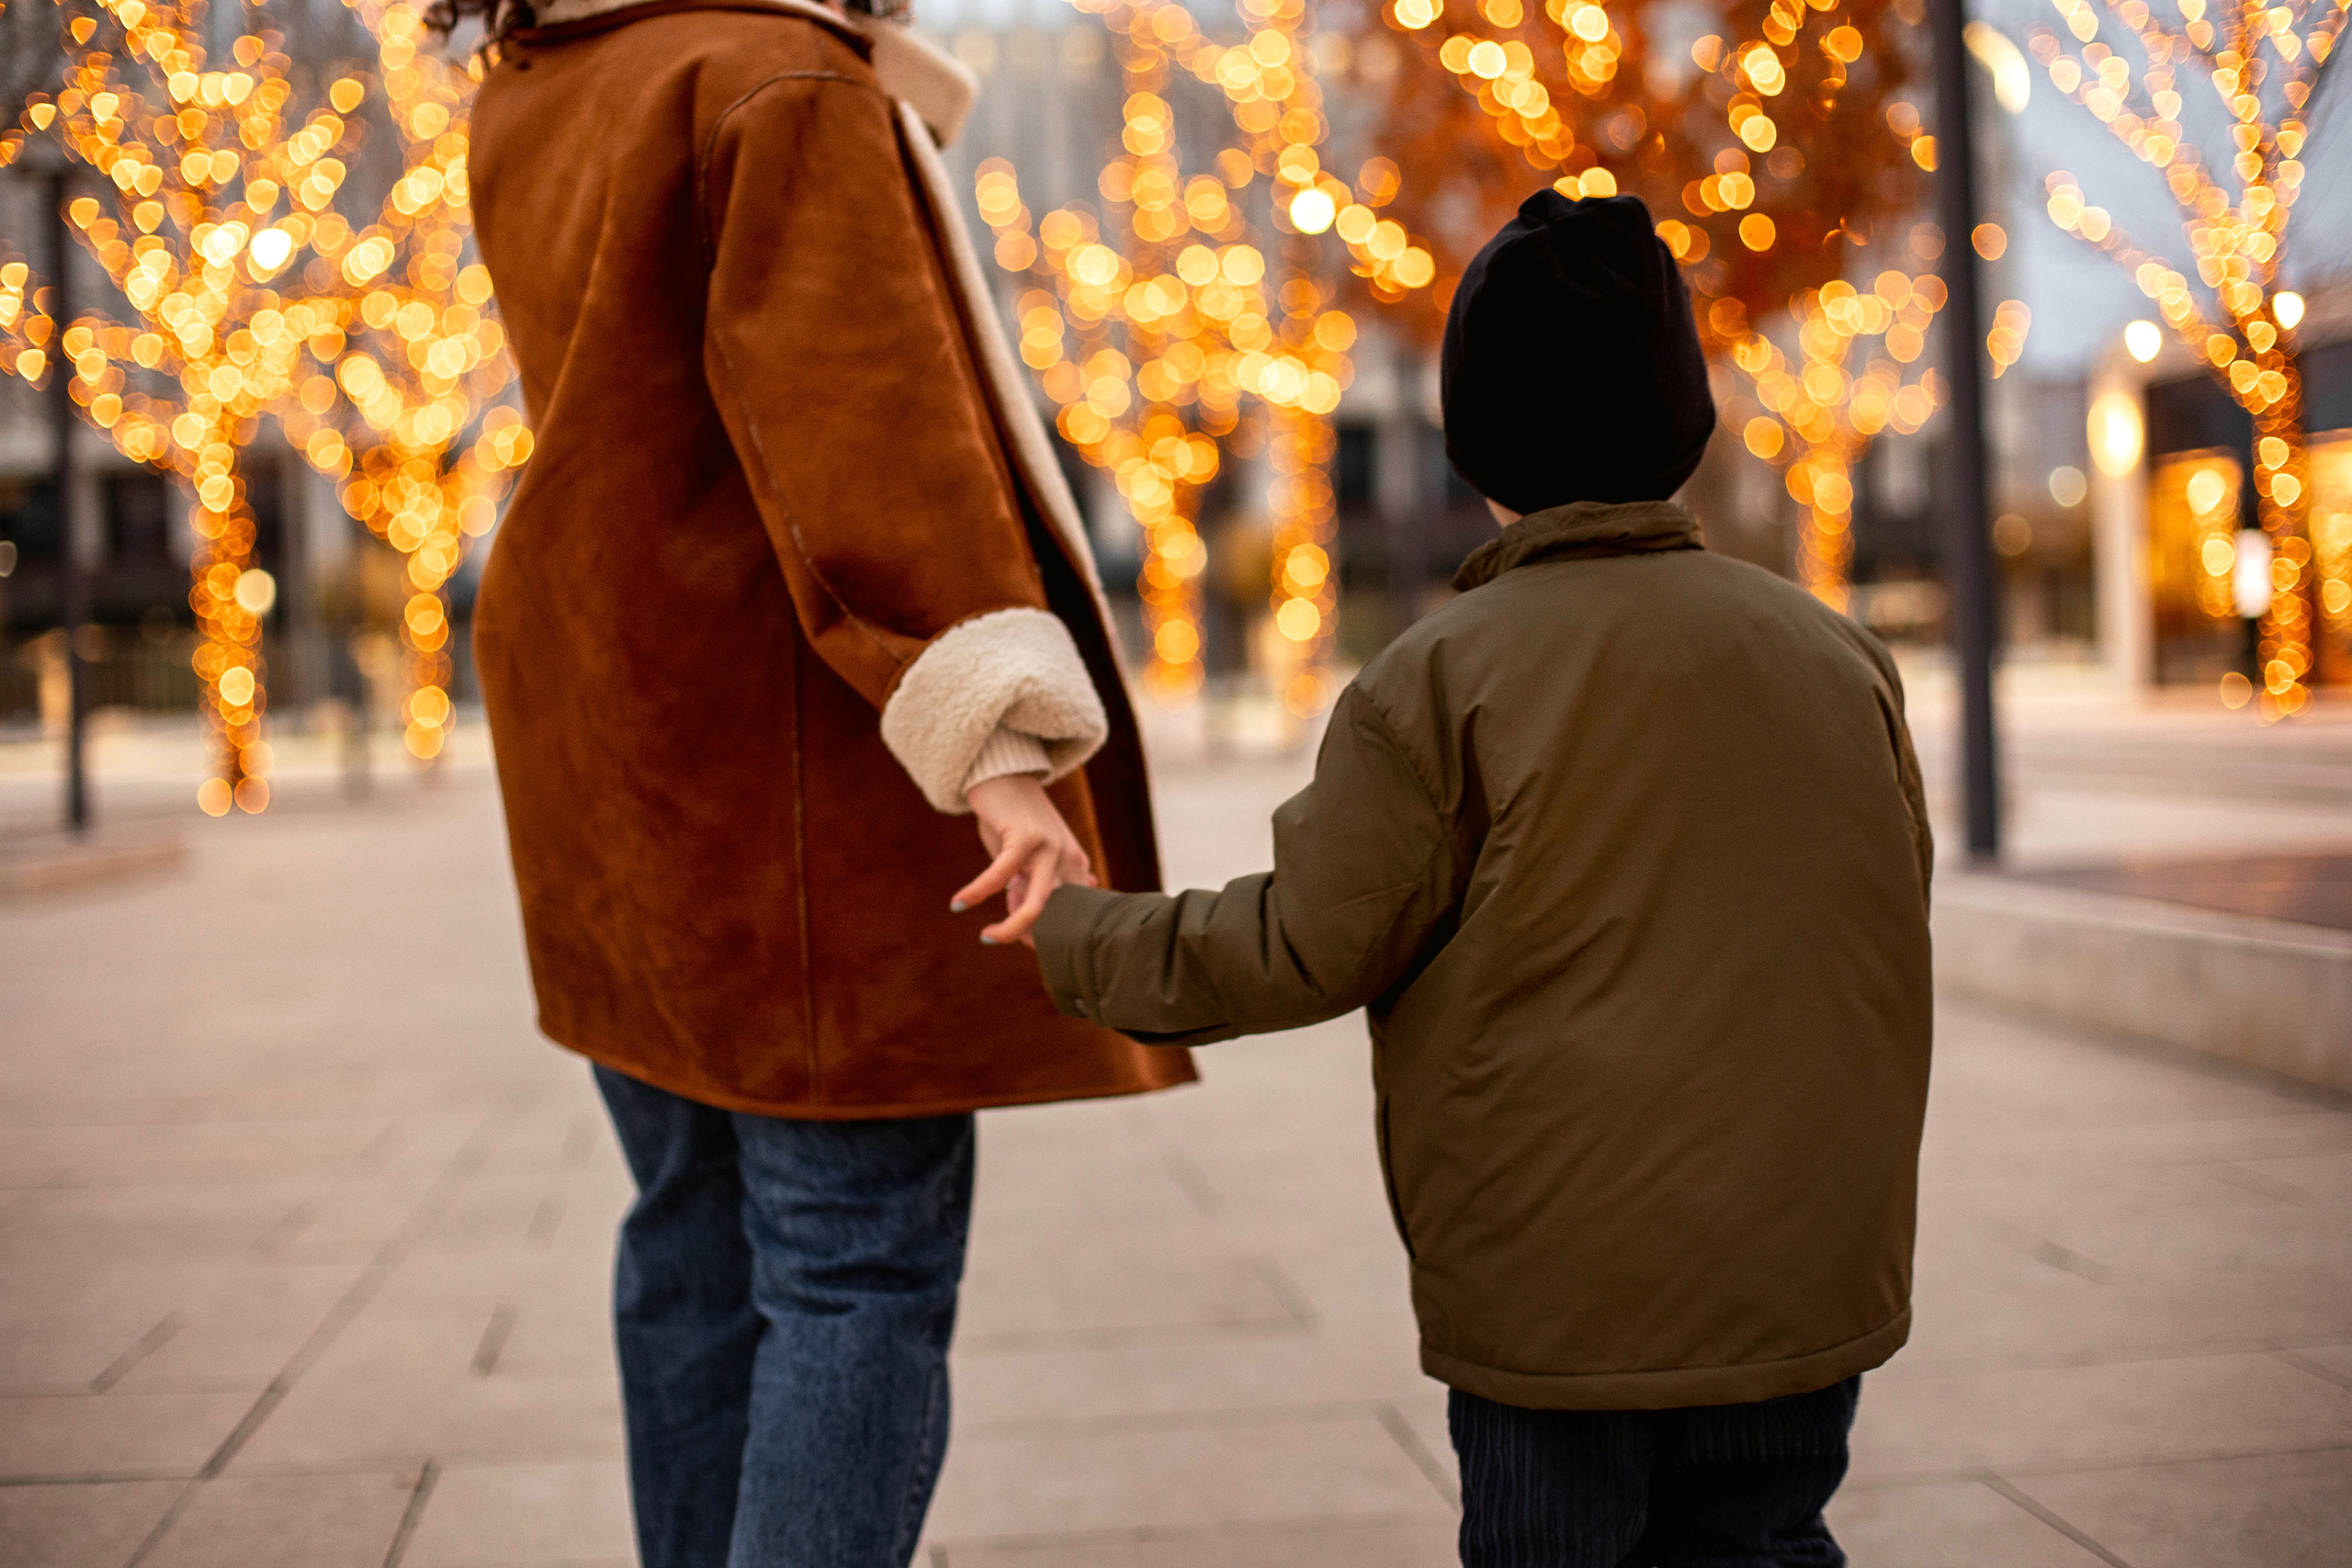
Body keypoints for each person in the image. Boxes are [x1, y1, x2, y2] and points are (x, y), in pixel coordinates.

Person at [1028, 191, 1936, 1568]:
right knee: (1765, 1541)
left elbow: (1299, 947)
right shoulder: (1836, 658)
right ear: (1682, 419)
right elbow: (1887, 904)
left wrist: (1074, 928)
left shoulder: (1443, 680)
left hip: (1558, 1307)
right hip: (1800, 1287)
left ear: (1479, 444)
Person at [448, 0, 1195, 1562]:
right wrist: (997, 752)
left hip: (622, 758)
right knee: (851, 1265)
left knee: (695, 1243)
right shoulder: (776, 83)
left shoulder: (545, 74)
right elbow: (870, 444)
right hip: (793, 780)